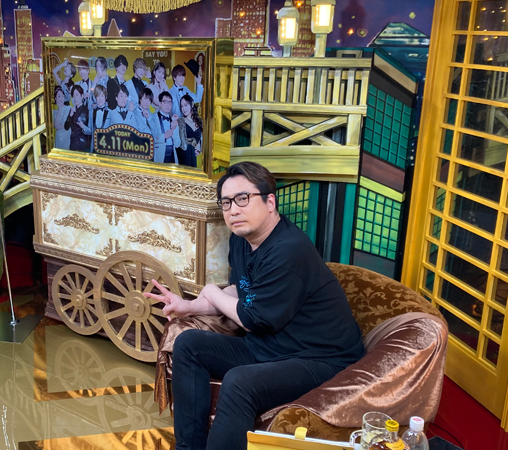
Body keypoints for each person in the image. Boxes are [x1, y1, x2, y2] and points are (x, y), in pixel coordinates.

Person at [144, 162, 364, 450]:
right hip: (271, 347)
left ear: (270, 202)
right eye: (226, 202)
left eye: (242, 199)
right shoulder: (242, 239)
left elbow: (252, 318)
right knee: (188, 344)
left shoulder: (288, 250)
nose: (233, 210)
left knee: (240, 382)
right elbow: (241, 291)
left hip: (320, 359)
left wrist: (210, 291)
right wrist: (190, 306)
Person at [152, 91, 180, 164]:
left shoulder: (173, 120)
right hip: (159, 154)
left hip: (172, 154)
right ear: (160, 103)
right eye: (165, 102)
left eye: (170, 103)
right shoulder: (153, 118)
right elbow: (150, 139)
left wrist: (174, 129)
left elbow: (177, 144)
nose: (168, 105)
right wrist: (164, 136)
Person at [176, 95, 202, 168]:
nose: (183, 109)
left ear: (192, 104)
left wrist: (199, 148)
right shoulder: (180, 121)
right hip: (184, 155)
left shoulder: (200, 122)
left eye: (185, 105)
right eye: (181, 106)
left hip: (194, 157)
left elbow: (202, 138)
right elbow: (178, 142)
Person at [85, 85, 111, 152]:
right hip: (94, 148)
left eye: (102, 96)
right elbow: (90, 130)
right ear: (95, 97)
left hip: (107, 148)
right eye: (98, 96)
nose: (100, 99)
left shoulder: (110, 112)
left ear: (105, 97)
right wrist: (83, 127)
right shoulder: (91, 111)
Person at [64, 85, 90, 151]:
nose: (75, 98)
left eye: (77, 95)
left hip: (83, 145)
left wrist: (83, 126)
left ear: (82, 96)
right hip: (73, 144)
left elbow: (90, 130)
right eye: (73, 96)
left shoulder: (87, 110)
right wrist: (70, 115)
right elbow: (66, 127)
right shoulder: (72, 110)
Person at [53, 86, 71, 150]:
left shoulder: (68, 108)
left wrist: (60, 125)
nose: (61, 98)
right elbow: (56, 126)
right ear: (55, 98)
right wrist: (60, 109)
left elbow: (64, 126)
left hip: (67, 138)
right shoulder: (54, 112)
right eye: (59, 96)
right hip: (58, 138)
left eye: (62, 96)